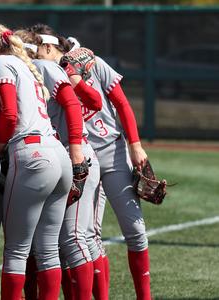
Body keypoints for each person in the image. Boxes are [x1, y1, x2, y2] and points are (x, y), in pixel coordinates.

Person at [0, 23, 74, 300]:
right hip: (57, 153)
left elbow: (9, 115)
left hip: (32, 154)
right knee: (48, 250)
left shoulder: (3, 63)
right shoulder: (25, 65)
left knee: (17, 250)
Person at [64, 35, 152, 300]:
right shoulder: (54, 72)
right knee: (90, 235)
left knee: (135, 232)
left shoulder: (96, 64)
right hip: (82, 157)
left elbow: (122, 103)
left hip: (112, 151)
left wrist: (135, 145)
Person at [28, 24, 104, 300]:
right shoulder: (43, 70)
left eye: (34, 46)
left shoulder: (54, 69)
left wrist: (76, 79)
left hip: (77, 155)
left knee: (74, 239)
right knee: (61, 242)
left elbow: (94, 101)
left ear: (47, 47)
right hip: (63, 158)